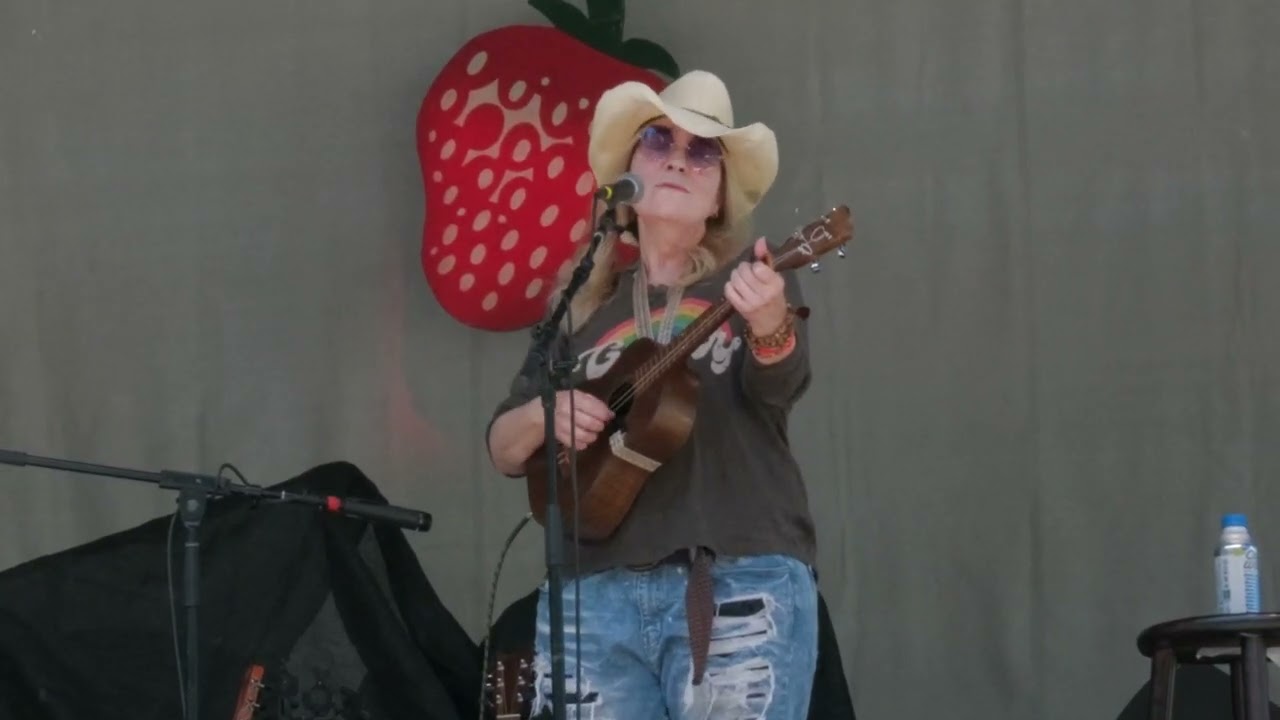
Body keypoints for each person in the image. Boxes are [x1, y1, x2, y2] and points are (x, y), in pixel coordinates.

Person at [486, 69, 819, 719]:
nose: (678, 159)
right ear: (629, 173)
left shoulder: (752, 278)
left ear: (720, 191)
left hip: (732, 574)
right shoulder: (582, 308)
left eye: (702, 152)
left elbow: (780, 385)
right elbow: (502, 446)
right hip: (592, 594)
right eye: (659, 142)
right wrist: (545, 413)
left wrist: (771, 323)